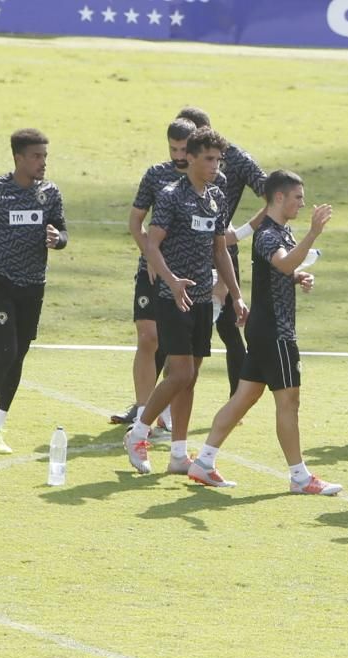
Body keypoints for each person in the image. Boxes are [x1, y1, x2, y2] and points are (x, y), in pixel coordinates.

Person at [187, 170, 342, 494]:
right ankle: (300, 477)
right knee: (289, 401)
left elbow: (283, 269)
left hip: (263, 329)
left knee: (245, 396)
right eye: (298, 197)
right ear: (280, 198)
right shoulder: (269, 234)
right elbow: (283, 264)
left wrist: (297, 277)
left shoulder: (279, 232)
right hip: (276, 332)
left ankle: (203, 462)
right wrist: (312, 235)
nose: (302, 203)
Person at [122, 127, 248, 475]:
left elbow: (220, 249)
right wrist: (172, 282)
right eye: (209, 159)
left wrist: (236, 294)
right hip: (172, 297)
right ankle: (139, 431)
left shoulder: (216, 196)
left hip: (203, 298)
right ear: (189, 158)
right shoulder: (170, 196)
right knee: (180, 374)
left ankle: (178, 454)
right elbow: (152, 244)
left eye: (218, 159)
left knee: (190, 377)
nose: (215, 166)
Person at [111, 117, 221, 429]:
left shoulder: (214, 182)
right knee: (148, 337)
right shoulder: (156, 176)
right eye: (173, 148)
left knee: (180, 350)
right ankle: (143, 410)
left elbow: (216, 239)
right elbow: (136, 222)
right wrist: (149, 254)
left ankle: (168, 414)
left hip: (191, 276)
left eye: (183, 149)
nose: (178, 156)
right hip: (153, 270)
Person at [0, 129, 69, 454]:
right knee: (6, 351)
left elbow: (62, 230)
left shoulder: (49, 193)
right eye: (36, 156)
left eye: (45, 156)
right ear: (19, 157)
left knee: (19, 354)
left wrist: (58, 239)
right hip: (0, 281)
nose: (42, 162)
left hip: (33, 285)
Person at [176, 107, 267, 398]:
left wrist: (239, 232)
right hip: (182, 253)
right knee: (170, 331)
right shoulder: (174, 167)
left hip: (220, 252)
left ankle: (235, 401)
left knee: (228, 328)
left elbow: (271, 191)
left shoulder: (236, 159)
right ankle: (146, 406)